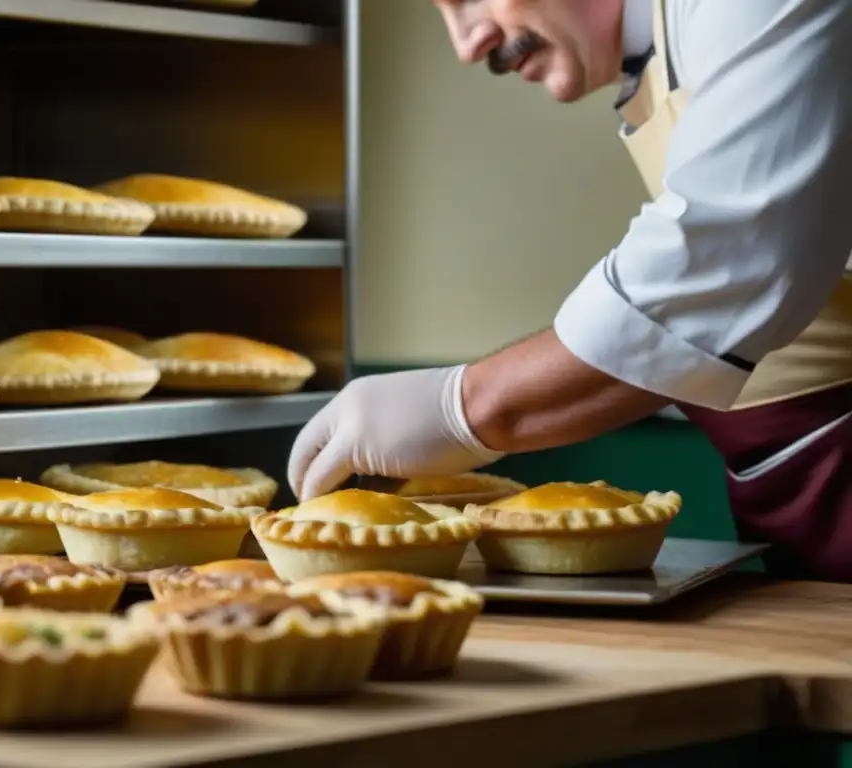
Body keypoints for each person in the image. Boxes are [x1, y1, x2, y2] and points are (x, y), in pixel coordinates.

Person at [288, 0, 852, 581]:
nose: (467, 43)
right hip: (802, 511)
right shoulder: (657, 50)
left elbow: (735, 252)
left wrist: (464, 407)